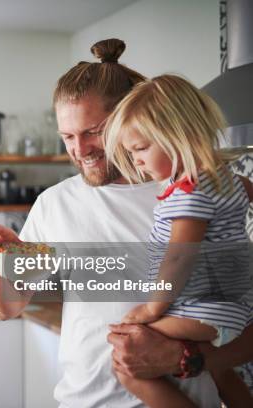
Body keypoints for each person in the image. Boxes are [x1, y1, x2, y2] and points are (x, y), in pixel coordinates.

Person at [0, 38, 253, 407]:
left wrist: (187, 359)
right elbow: (7, 307)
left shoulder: (193, 191)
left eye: (93, 131)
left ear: (129, 118)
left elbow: (240, 314)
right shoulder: (55, 205)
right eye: (68, 137)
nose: (79, 149)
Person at [103, 74, 253, 407]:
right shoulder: (226, 177)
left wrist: (152, 307)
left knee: (128, 365)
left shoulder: (188, 193)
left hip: (203, 309)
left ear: (178, 136)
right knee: (223, 372)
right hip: (233, 307)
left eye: (141, 149)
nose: (137, 161)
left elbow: (178, 258)